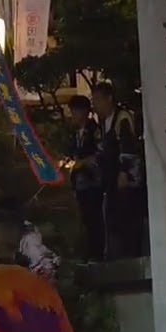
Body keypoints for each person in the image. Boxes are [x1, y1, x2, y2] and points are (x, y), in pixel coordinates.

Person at [92, 82, 142, 258]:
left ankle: (130, 255)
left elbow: (128, 146)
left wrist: (124, 172)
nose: (95, 104)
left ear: (109, 99)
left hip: (125, 178)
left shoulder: (122, 117)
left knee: (127, 218)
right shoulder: (102, 123)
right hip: (110, 177)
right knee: (112, 218)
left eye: (98, 100)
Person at [67, 95, 104, 260]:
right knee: (86, 220)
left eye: (75, 111)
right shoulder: (76, 133)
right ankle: (89, 253)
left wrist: (83, 163)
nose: (73, 115)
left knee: (94, 220)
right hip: (80, 183)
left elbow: (100, 154)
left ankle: (97, 254)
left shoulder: (94, 130)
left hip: (93, 182)